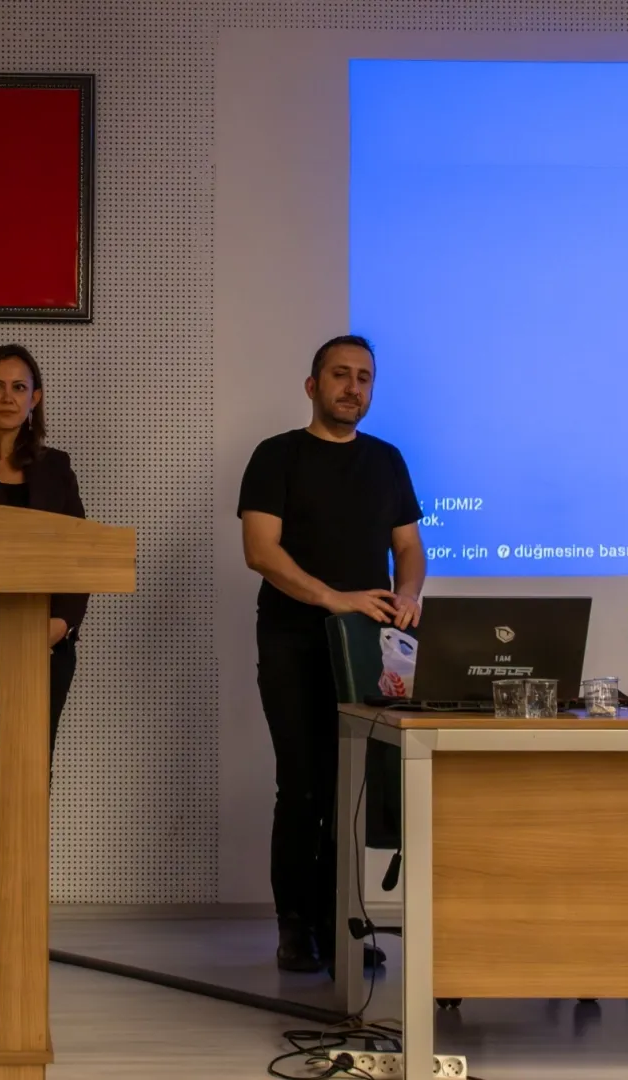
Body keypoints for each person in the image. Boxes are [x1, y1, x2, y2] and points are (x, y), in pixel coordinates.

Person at [237, 334, 425, 974]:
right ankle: (295, 926)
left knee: (352, 790)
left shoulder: (387, 460)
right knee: (302, 785)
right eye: (340, 375)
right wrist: (335, 599)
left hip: (366, 650)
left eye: (364, 378)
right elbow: (261, 551)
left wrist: (408, 595)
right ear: (313, 385)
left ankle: (337, 922)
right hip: (292, 640)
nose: (353, 387)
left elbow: (409, 547)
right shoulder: (277, 455)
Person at [0, 344, 87, 757]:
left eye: (19, 387)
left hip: (42, 639)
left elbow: (79, 553)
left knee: (30, 762)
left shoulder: (56, 467)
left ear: (35, 398)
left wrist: (61, 622)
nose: (7, 397)